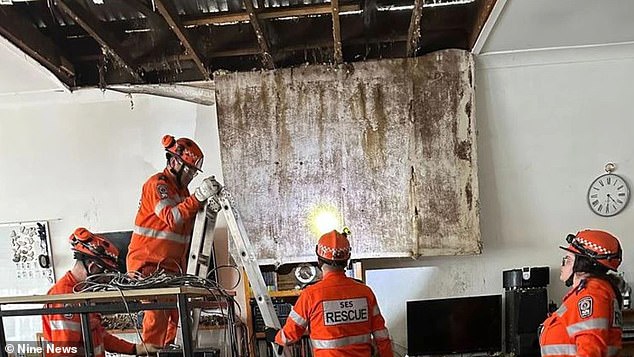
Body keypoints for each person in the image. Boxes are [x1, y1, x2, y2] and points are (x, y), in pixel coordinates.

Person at [126, 134, 220, 347]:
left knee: (178, 322)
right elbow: (172, 218)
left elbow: (187, 231)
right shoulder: (158, 185)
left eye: (194, 173)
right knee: (157, 319)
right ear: (174, 162)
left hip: (170, 269)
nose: (191, 177)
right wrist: (198, 197)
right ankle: (151, 351)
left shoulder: (182, 191)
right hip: (147, 267)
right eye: (190, 170)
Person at [265, 229, 394, 357]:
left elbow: (289, 336)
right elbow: (382, 336)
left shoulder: (310, 295)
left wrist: (274, 336)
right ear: (347, 260)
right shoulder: (366, 293)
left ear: (319, 260)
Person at [42, 227, 161, 356]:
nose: (105, 282)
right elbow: (65, 351)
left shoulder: (82, 294)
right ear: (93, 268)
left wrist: (135, 349)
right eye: (105, 276)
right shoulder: (64, 298)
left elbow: (100, 335)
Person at [540, 229, 624, 357]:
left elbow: (590, 351)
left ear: (582, 265)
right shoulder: (590, 293)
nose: (562, 265)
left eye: (567, 260)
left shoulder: (590, 295)